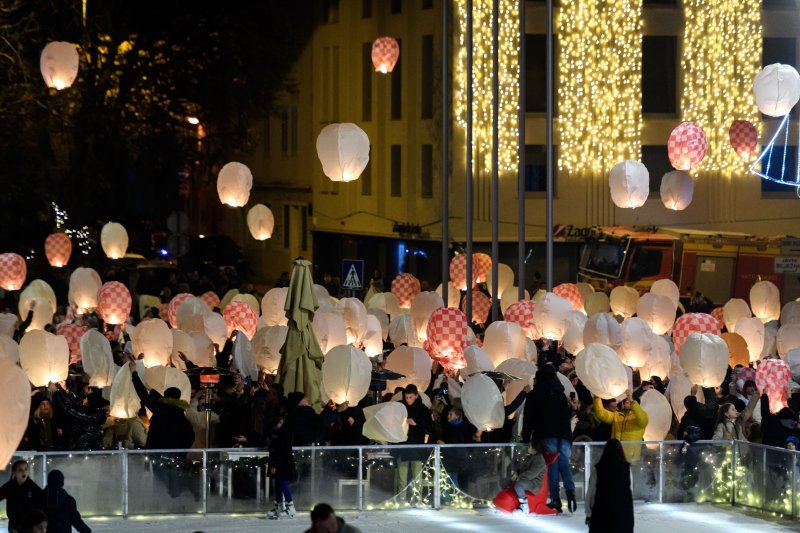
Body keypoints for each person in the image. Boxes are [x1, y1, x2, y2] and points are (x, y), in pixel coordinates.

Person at [521, 365, 576, 512]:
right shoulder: (560, 395)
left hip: (546, 434)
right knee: (564, 463)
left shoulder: (535, 395)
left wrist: (526, 437)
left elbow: (528, 419)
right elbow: (566, 417)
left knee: (552, 465)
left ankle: (555, 499)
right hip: (564, 435)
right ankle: (570, 492)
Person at [129, 361, 194, 449]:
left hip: (156, 451)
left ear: (165, 397)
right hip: (174, 453)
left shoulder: (161, 409)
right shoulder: (180, 412)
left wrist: (134, 373)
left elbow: (142, 394)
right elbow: (190, 436)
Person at [585, 439, 633, 533]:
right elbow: (630, 492)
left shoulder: (598, 469)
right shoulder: (627, 469)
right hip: (622, 515)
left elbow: (590, 493)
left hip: (601, 514)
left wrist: (589, 514)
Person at [396, 384, 431, 498]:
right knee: (402, 474)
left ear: (416, 395)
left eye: (410, 397)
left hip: (416, 445)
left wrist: (417, 423)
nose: (408, 400)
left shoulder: (423, 409)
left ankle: (417, 497)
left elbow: (429, 426)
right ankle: (401, 498)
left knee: (417, 475)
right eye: (406, 397)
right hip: (403, 445)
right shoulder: (400, 406)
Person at [592, 390, 648, 462]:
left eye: (630, 400)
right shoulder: (616, 415)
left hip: (632, 459)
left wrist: (632, 400)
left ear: (637, 404)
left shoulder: (640, 417)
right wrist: (597, 397)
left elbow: (642, 419)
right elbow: (601, 413)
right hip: (615, 455)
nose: (627, 401)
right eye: (626, 400)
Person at [0, 460, 43, 533]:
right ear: (14, 472)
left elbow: (42, 503)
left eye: (26, 469)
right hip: (14, 526)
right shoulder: (9, 487)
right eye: (20, 470)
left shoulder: (33, 487)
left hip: (30, 526)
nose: (24, 472)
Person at [268, 412, 297, 520]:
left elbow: (282, 452)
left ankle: (290, 508)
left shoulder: (284, 434)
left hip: (283, 464)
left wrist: (275, 465)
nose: (279, 425)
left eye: (280, 423)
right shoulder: (279, 434)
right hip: (281, 463)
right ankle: (279, 507)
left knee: (283, 484)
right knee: (278, 484)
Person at [511, 439, 547, 514]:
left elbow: (532, 473)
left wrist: (519, 477)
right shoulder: (530, 456)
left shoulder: (539, 459)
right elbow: (523, 469)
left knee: (519, 486)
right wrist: (517, 473)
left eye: (529, 446)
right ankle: (505, 502)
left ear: (535, 448)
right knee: (506, 481)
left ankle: (524, 507)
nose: (528, 448)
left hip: (534, 483)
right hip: (526, 479)